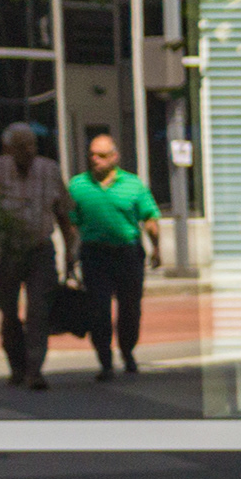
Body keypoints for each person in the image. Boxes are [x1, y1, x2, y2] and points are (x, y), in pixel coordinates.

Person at [63, 128, 163, 380]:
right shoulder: (78, 185)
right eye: (92, 155)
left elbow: (150, 218)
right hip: (95, 254)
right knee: (98, 308)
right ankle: (105, 360)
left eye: (102, 155)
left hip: (127, 253)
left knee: (130, 307)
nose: (95, 160)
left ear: (115, 157)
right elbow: (72, 223)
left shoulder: (133, 184)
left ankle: (128, 351)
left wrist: (156, 247)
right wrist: (69, 253)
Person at [0, 120, 64, 391]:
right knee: (9, 312)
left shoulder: (49, 170)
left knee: (39, 311)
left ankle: (35, 370)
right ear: (8, 149)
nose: (29, 151)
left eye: (32, 144)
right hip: (7, 251)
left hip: (40, 249)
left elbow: (62, 210)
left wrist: (71, 250)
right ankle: (17, 366)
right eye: (22, 146)